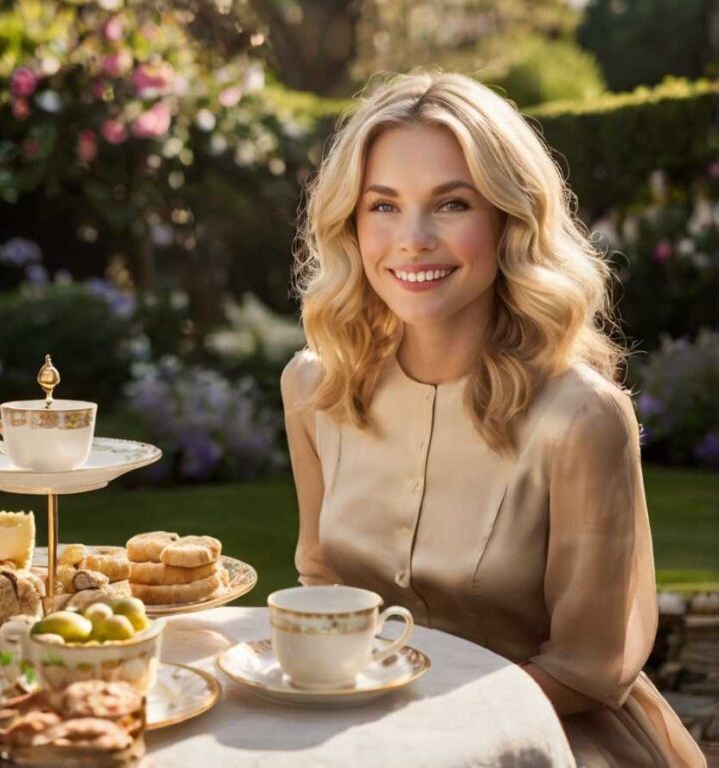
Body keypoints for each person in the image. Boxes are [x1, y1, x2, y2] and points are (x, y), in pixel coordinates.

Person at [280, 70, 705, 767]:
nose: (412, 239)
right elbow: (323, 579)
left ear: (510, 218)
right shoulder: (314, 389)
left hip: (543, 740)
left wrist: (421, 732)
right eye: (383, 206)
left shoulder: (582, 418)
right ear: (351, 224)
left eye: (451, 204)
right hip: (365, 733)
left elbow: (589, 667)